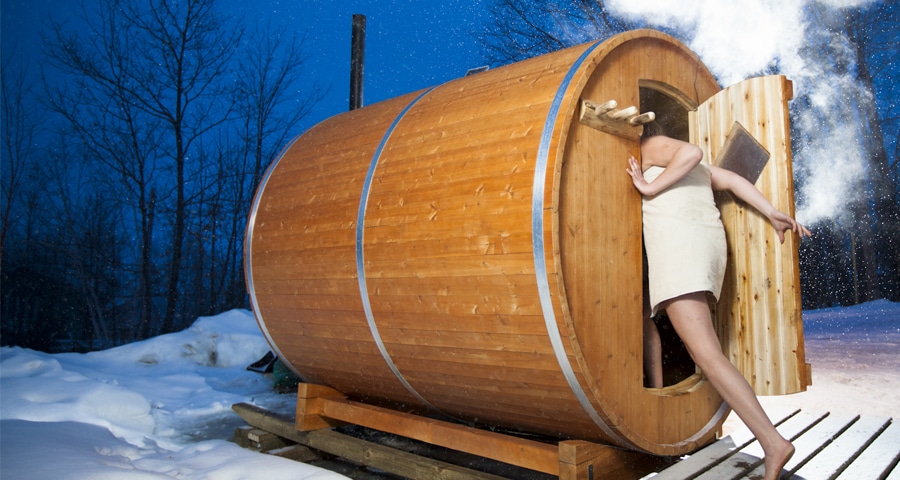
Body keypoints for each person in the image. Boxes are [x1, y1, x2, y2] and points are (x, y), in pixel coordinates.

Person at [626, 123, 810, 480]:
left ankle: (773, 442)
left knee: (707, 355)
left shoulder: (652, 145)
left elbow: (692, 150)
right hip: (705, 246)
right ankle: (770, 440)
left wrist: (648, 187)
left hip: (683, 250)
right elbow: (732, 181)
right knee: (693, 345)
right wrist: (770, 211)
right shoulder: (694, 170)